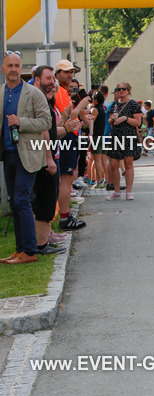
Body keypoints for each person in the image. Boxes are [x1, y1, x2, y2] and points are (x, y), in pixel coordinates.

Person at [2, 51, 52, 264]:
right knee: (15, 203)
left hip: (29, 155)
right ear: (3, 69)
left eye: (17, 65)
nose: (13, 69)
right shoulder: (2, 93)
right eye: (9, 66)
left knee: (22, 200)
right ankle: (20, 250)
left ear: (21, 68)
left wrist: (21, 122)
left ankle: (30, 252)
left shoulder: (33, 93)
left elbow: (46, 122)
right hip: (8, 155)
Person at [28, 65, 68, 254]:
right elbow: (43, 131)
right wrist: (48, 158)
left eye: (53, 78)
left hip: (46, 155)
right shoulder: (37, 99)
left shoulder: (43, 99)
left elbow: (51, 130)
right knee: (44, 200)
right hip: (42, 157)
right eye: (48, 78)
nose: (52, 82)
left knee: (48, 199)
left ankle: (44, 240)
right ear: (36, 80)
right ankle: (41, 244)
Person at [54, 60, 87, 230]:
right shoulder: (59, 90)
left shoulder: (64, 91)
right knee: (65, 179)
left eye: (71, 72)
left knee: (67, 178)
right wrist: (83, 102)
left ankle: (64, 216)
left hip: (69, 135)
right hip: (65, 137)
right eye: (66, 72)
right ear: (57, 73)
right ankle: (65, 217)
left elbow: (70, 117)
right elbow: (68, 114)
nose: (70, 75)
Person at [106, 82, 142, 200]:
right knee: (113, 164)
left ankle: (128, 191)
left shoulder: (133, 104)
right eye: (119, 89)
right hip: (116, 135)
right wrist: (112, 120)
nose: (121, 91)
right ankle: (116, 191)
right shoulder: (114, 105)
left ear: (128, 90)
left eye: (123, 89)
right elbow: (110, 121)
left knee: (128, 164)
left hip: (128, 136)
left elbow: (138, 122)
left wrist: (125, 118)